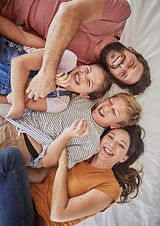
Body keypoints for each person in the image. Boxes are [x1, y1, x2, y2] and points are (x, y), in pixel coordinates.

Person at [0, 0, 151, 99]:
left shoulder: (78, 65)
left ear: (114, 76)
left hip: (6, 6)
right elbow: (69, 11)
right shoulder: (119, 14)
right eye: (132, 64)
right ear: (133, 51)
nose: (122, 65)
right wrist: (48, 72)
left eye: (123, 74)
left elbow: (24, 37)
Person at [0, 125, 144, 226]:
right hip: (19, 201)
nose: (112, 144)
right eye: (110, 137)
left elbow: (58, 214)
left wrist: (63, 164)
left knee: (11, 156)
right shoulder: (79, 158)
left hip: (34, 221)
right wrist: (8, 172)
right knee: (9, 158)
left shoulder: (110, 188)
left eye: (121, 145)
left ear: (124, 158)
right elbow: (38, 176)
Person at [2, 92, 142, 169]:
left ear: (116, 125)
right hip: (11, 120)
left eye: (114, 112)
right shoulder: (85, 99)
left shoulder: (91, 143)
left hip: (24, 143)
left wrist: (67, 135)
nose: (106, 107)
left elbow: (47, 163)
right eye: (110, 102)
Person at [0, 35, 111, 118]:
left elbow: (11, 98)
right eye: (87, 70)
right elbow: (18, 63)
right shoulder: (68, 59)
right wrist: (50, 76)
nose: (83, 76)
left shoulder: (60, 102)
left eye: (89, 82)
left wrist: (51, 82)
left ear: (84, 95)